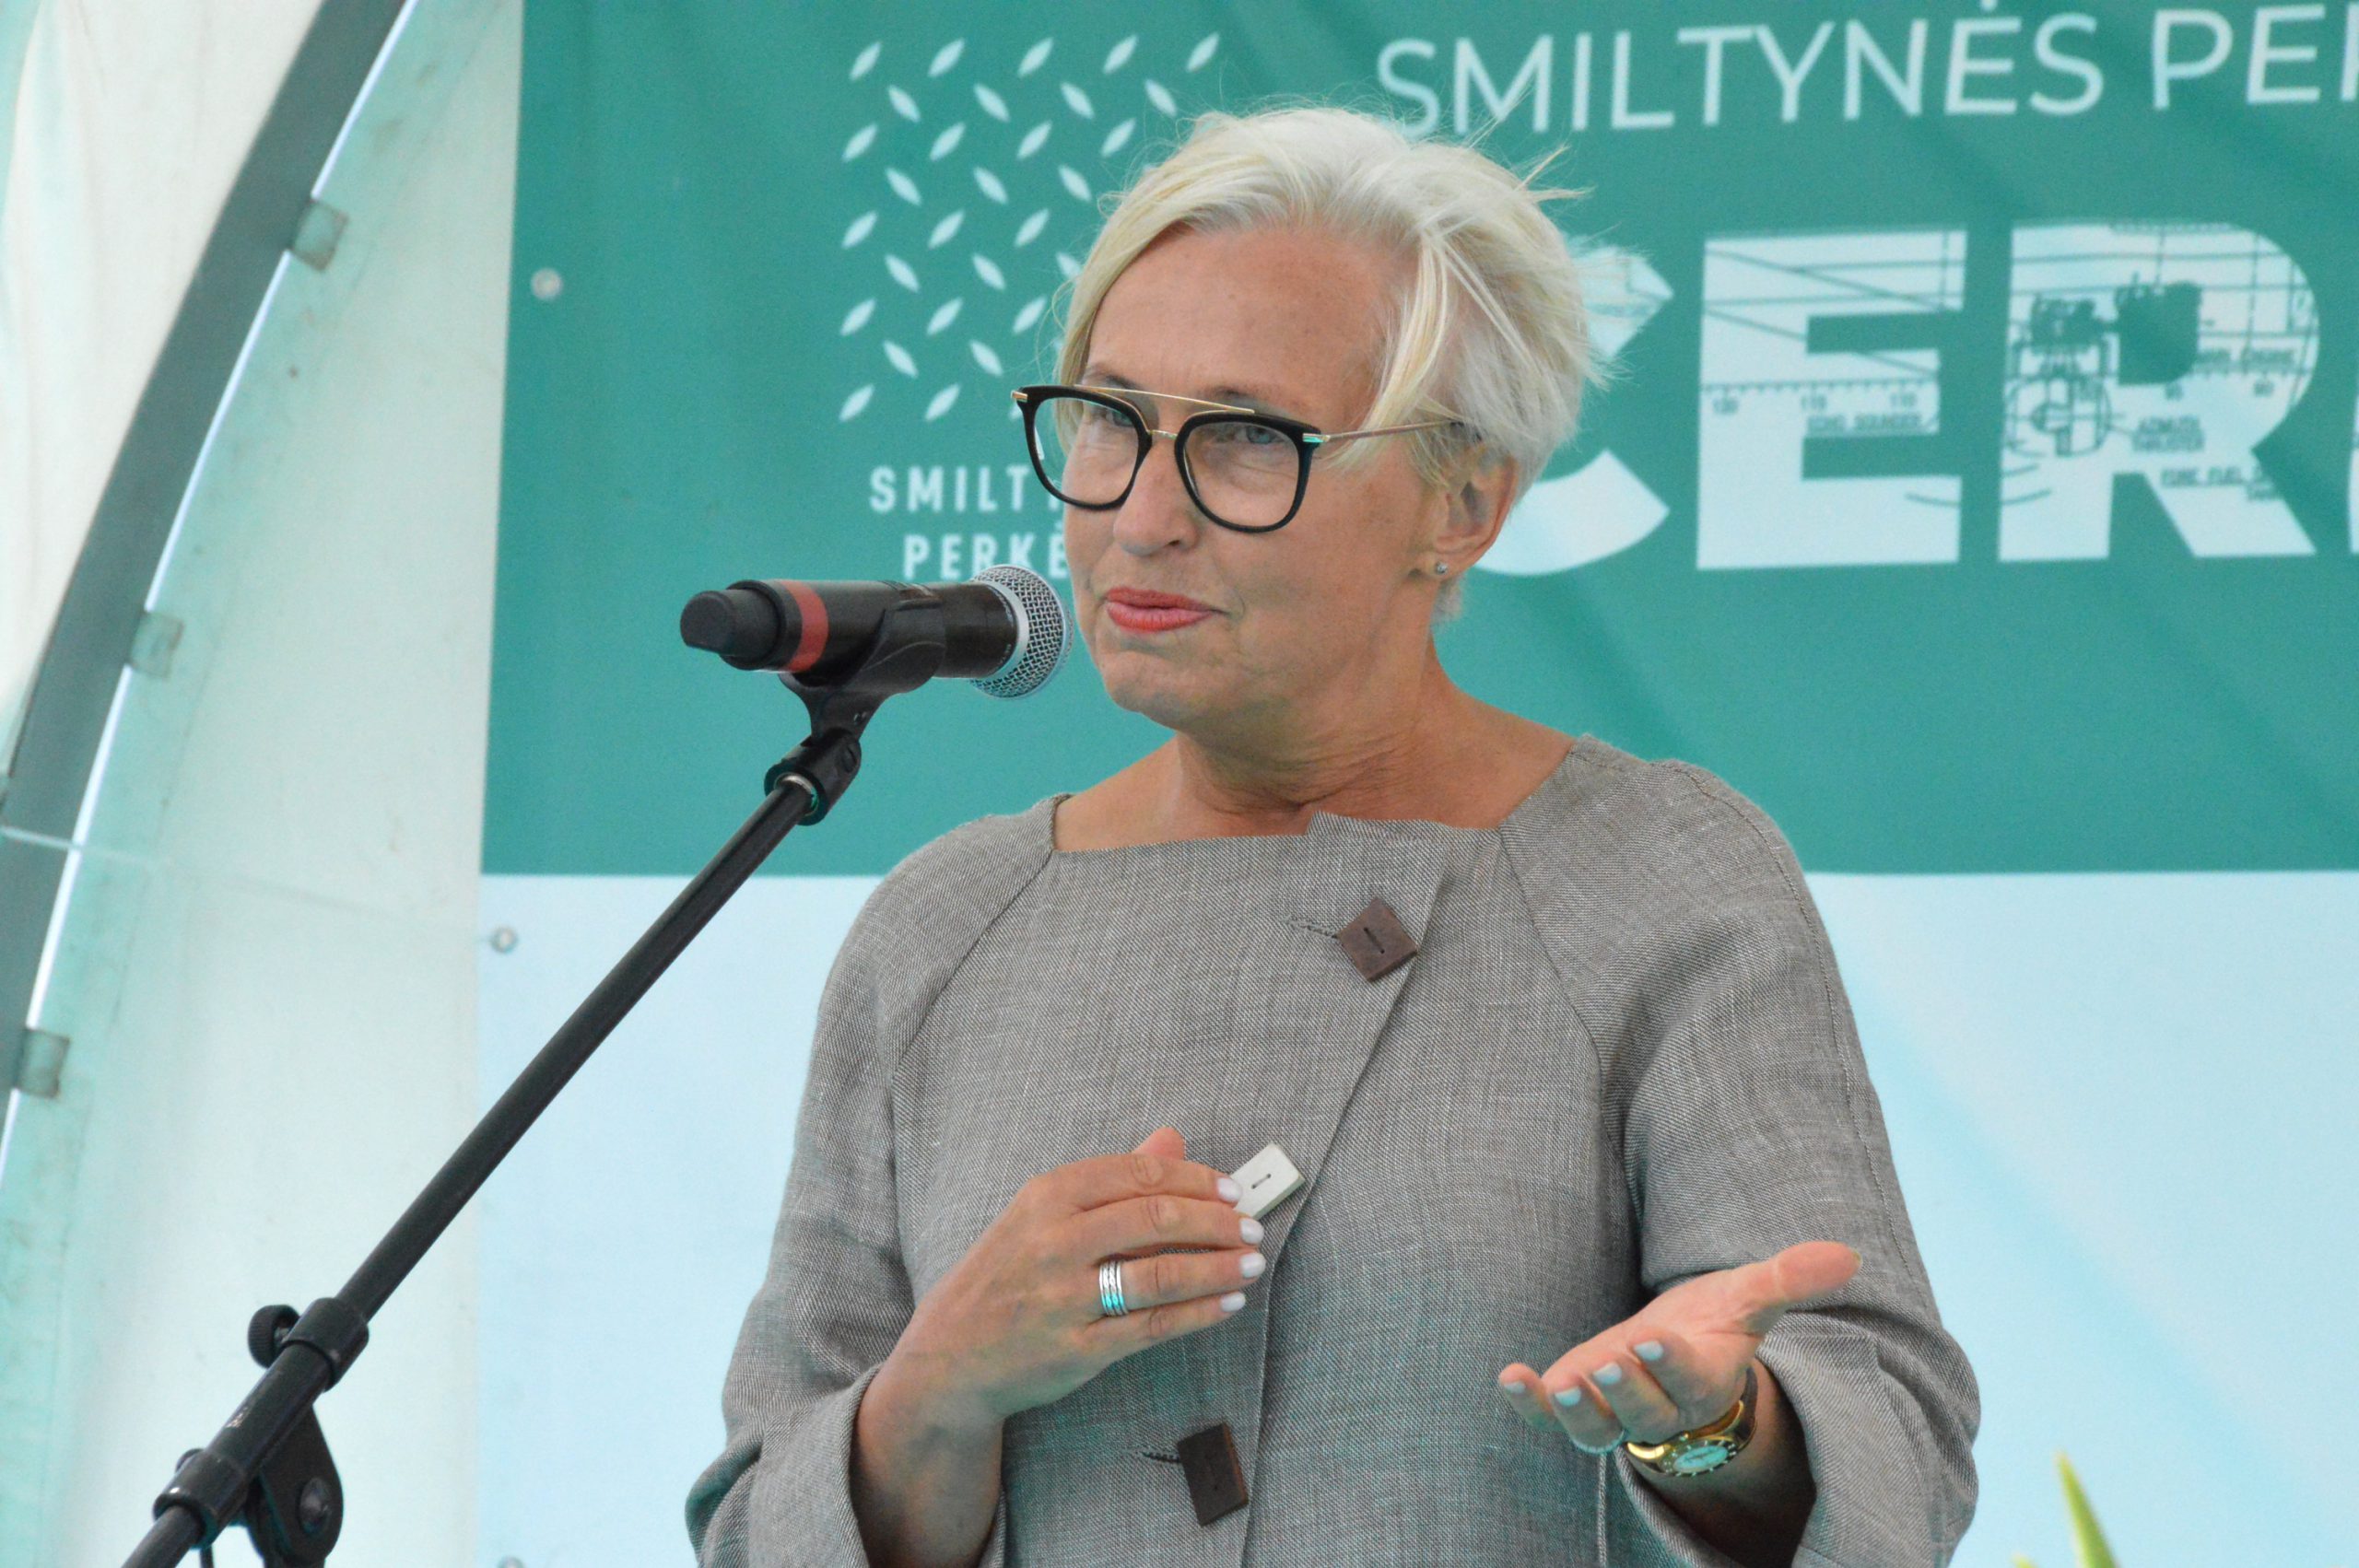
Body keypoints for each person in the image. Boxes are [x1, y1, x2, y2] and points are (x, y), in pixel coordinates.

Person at [687, 106, 1977, 1567]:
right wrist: (939, 1385)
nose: (1141, 516)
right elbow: (760, 1528)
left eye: (1246, 439)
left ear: (1464, 501)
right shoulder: (945, 923)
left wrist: (1720, 1422)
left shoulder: (1656, 877)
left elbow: (1895, 1459)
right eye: (1109, 418)